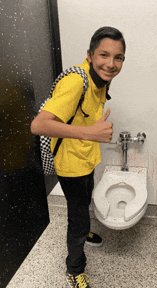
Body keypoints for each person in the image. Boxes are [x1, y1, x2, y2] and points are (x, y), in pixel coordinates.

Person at [31, 26, 126, 288]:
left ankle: (83, 232)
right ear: (90, 54)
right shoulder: (76, 81)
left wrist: (89, 137)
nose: (111, 64)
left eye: (118, 58)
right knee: (78, 218)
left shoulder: (100, 79)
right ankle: (74, 269)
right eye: (104, 55)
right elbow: (38, 125)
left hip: (86, 159)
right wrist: (87, 134)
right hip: (70, 164)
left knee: (85, 203)